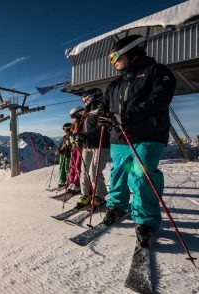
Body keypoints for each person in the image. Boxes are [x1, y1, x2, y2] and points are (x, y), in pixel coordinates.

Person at [98, 35, 176, 247]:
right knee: (118, 174)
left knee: (141, 177)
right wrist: (102, 117)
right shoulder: (114, 84)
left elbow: (159, 99)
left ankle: (145, 221)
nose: (112, 61)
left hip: (148, 136)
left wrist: (126, 117)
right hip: (119, 139)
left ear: (131, 52)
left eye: (114, 56)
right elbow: (104, 108)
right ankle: (117, 206)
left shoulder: (157, 72)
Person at [75, 89, 111, 208]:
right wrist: (79, 136)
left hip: (100, 145)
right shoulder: (87, 112)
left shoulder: (101, 109)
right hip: (87, 146)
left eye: (85, 98)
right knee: (84, 172)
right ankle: (86, 195)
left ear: (92, 96)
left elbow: (102, 128)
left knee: (94, 172)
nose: (84, 101)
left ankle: (99, 196)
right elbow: (86, 129)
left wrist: (85, 136)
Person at [67, 106, 84, 194]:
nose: (73, 118)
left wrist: (78, 138)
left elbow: (82, 135)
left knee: (78, 165)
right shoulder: (74, 125)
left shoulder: (82, 123)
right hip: (74, 147)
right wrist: (69, 139)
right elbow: (71, 134)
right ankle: (72, 181)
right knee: (72, 165)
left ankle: (77, 184)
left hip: (80, 147)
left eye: (73, 116)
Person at [57, 123, 72, 188]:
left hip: (67, 154)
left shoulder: (70, 136)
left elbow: (67, 146)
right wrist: (59, 150)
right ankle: (63, 181)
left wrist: (60, 150)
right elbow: (62, 145)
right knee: (62, 168)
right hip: (63, 154)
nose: (63, 130)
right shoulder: (65, 136)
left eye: (64, 128)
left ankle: (68, 181)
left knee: (67, 168)